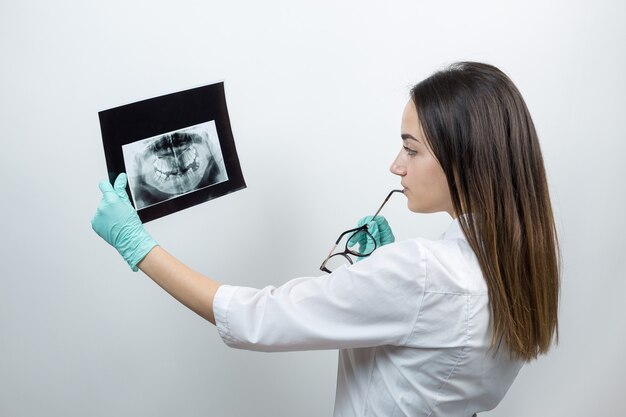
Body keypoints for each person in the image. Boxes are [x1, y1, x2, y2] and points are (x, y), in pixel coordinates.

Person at [91, 61, 560, 416]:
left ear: (467, 158)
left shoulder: (423, 273)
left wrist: (138, 246)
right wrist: (385, 275)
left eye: (411, 149)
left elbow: (259, 318)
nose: (396, 166)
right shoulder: (516, 267)